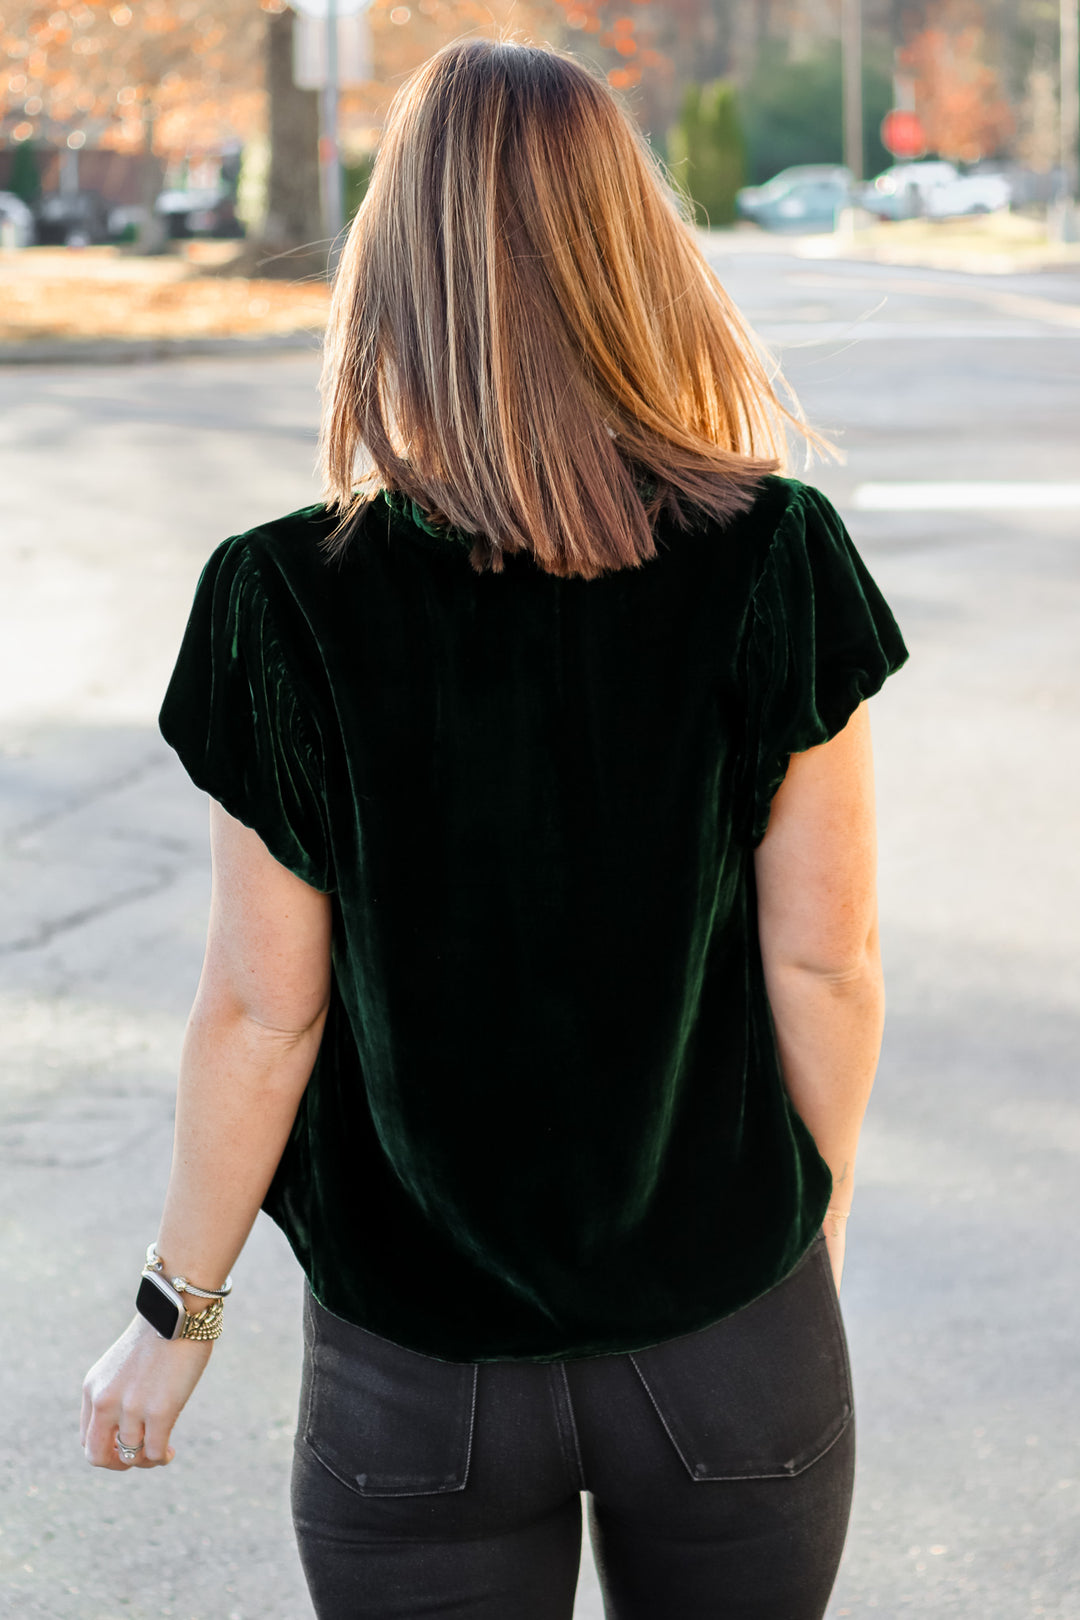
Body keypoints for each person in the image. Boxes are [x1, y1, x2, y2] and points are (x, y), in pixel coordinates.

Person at [80, 37, 908, 1620]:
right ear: (631, 256)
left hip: (418, 1372)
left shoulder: (285, 599)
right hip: (732, 1333)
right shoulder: (776, 555)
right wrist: (812, 1237)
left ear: (395, 274)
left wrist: (172, 1321)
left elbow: (265, 1012)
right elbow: (829, 965)